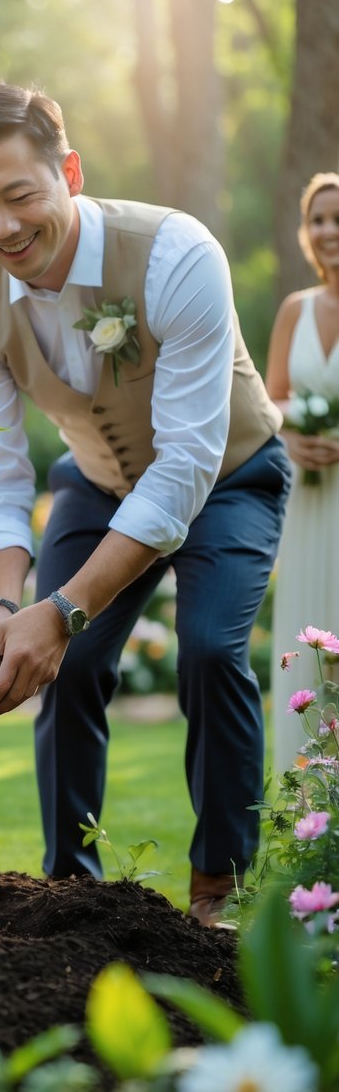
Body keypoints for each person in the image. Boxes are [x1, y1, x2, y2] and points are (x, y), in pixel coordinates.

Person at [0, 83, 291, 925]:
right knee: (69, 668)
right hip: (95, 485)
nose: (3, 227)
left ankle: (218, 890)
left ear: (70, 171)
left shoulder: (175, 253)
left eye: (21, 196)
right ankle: (70, 889)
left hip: (227, 477)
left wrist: (58, 607)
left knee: (206, 650)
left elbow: (184, 467)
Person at [266, 173, 339, 774]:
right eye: (318, 218)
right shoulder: (295, 310)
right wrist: (292, 435)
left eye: (338, 217)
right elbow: (271, 401)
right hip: (309, 506)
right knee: (307, 643)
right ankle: (309, 808)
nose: (328, 230)